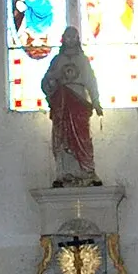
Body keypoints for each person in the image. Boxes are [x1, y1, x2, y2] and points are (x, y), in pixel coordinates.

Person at [40, 25, 102, 185]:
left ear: (77, 39)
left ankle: (86, 171)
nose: (71, 40)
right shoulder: (57, 60)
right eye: (68, 36)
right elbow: (47, 81)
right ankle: (65, 172)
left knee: (82, 136)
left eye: (73, 36)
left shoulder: (83, 60)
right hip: (62, 101)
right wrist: (53, 79)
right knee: (63, 135)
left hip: (79, 101)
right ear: (63, 39)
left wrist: (95, 101)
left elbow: (91, 81)